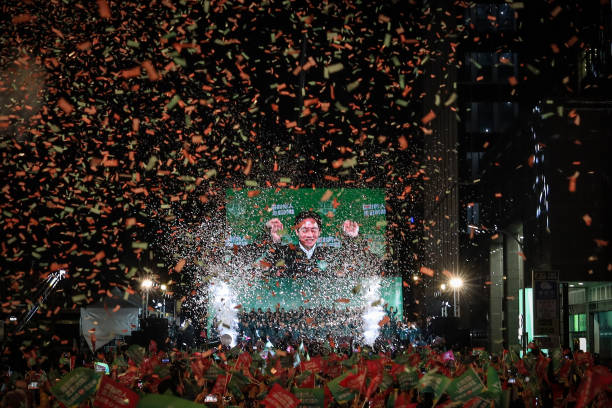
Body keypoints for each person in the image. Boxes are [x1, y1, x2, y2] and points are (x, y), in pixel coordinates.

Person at [260, 210, 360, 277]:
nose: (309, 235)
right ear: (296, 231)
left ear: (320, 232)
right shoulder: (284, 251)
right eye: (305, 230)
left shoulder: (329, 253)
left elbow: (350, 262)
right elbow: (264, 267)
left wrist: (351, 238)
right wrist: (273, 238)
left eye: (313, 230)